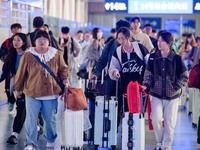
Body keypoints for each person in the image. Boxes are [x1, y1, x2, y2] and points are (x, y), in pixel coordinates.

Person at [14, 30, 69, 150]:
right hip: (32, 92)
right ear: (35, 41)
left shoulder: (56, 54)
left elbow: (63, 69)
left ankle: (50, 139)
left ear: (49, 41)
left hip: (51, 93)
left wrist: (64, 80)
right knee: (30, 119)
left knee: (50, 120)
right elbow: (20, 73)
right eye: (39, 38)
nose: (42, 41)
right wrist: (17, 88)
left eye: (45, 39)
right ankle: (30, 143)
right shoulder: (28, 55)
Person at [142, 31, 188, 150]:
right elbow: (148, 74)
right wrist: (146, 84)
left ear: (169, 43)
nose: (159, 43)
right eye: (158, 40)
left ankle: (166, 146)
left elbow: (184, 75)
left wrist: (176, 87)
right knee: (155, 118)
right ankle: (160, 141)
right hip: (156, 93)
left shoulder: (177, 59)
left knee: (169, 122)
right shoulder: (153, 57)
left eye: (162, 41)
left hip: (172, 96)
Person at [109, 27, 149, 113]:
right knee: (127, 112)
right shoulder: (118, 51)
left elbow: (149, 64)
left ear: (129, 38)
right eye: (119, 39)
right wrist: (114, 71)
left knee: (139, 113)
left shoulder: (139, 48)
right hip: (126, 88)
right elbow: (113, 66)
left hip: (140, 87)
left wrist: (147, 82)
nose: (121, 41)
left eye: (123, 38)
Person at [0, 33, 27, 144]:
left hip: (29, 86)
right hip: (16, 87)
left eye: (18, 40)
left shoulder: (28, 55)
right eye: (14, 40)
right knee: (21, 109)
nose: (15, 42)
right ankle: (14, 134)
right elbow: (4, 72)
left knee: (30, 111)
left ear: (23, 42)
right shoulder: (11, 56)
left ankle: (38, 126)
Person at [0, 23, 22, 112]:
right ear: (11, 30)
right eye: (14, 29)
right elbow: (1, 53)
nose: (16, 30)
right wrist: (8, 59)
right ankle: (11, 100)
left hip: (21, 69)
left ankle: (20, 105)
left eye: (18, 28)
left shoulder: (24, 40)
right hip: (10, 68)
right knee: (8, 88)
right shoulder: (7, 42)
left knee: (20, 88)